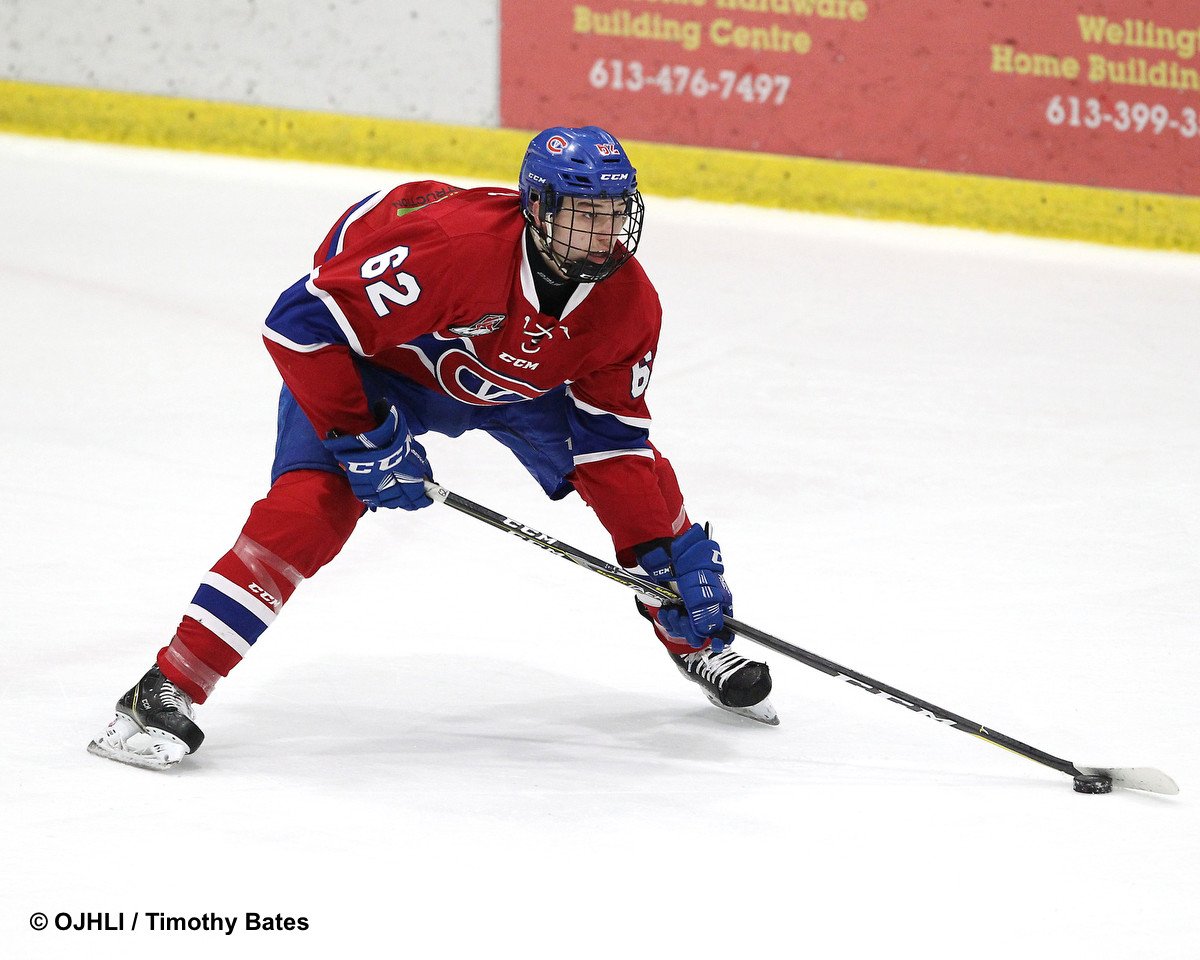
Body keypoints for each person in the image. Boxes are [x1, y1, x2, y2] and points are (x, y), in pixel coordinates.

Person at [88, 125, 777, 770]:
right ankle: (164, 691)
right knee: (308, 511)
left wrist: (666, 546)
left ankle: (698, 639)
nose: (604, 233)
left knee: (647, 499)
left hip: (513, 385)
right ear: (538, 208)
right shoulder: (456, 248)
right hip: (379, 366)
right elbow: (297, 324)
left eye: (615, 212)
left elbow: (613, 444)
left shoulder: (629, 304)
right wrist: (360, 435)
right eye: (583, 213)